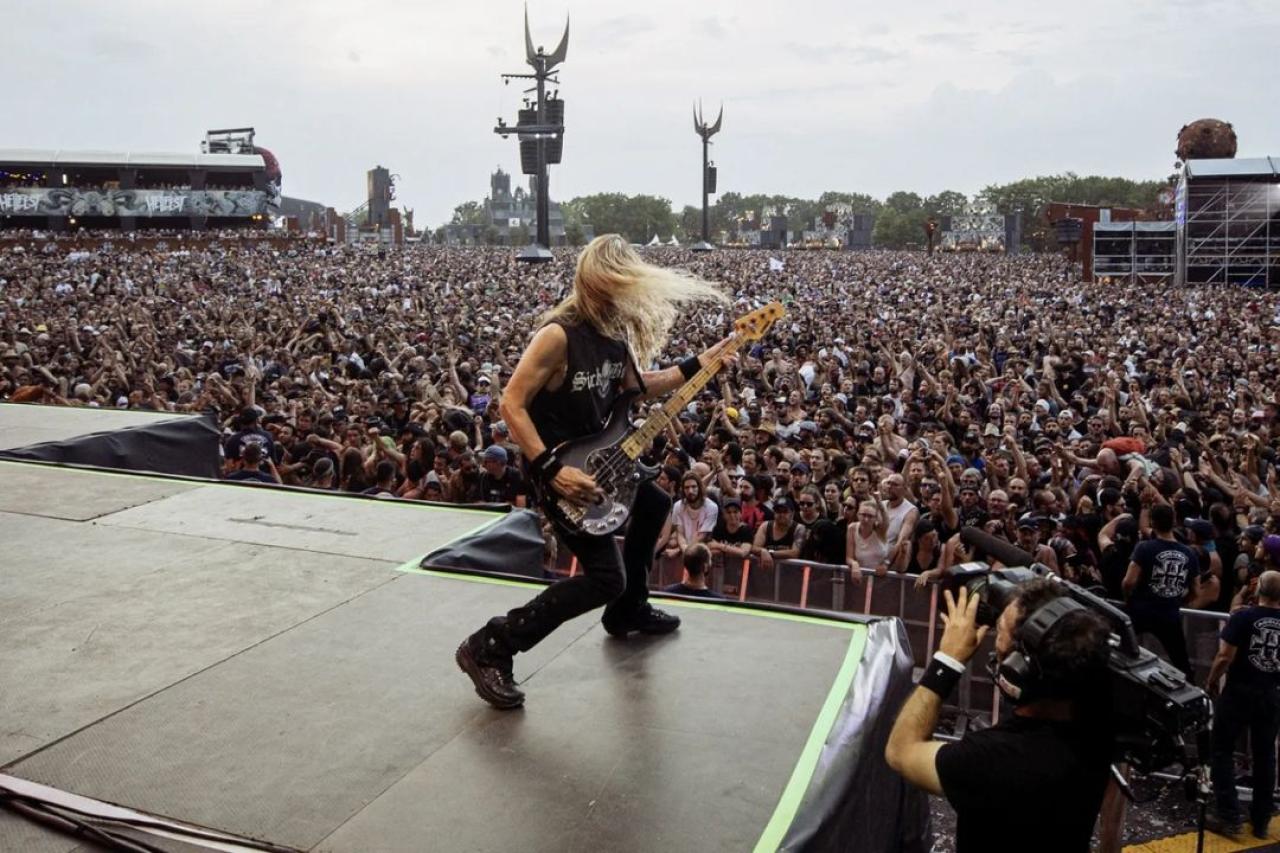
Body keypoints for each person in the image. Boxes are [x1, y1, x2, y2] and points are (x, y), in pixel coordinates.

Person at [455, 235, 731, 710]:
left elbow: (640, 387)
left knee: (654, 502)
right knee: (605, 577)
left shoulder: (613, 337)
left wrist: (701, 363)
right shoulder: (558, 335)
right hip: (557, 469)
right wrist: (550, 470)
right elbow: (511, 404)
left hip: (597, 460)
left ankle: (629, 610)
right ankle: (492, 645)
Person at [885, 581, 1113, 853]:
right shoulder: (1101, 722)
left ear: (1018, 671)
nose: (993, 633)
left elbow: (900, 751)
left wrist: (947, 660)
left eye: (999, 631)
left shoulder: (993, 757)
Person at [1205, 569, 1280, 839]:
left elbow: (1224, 656)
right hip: (1270, 692)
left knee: (1222, 749)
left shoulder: (1243, 617)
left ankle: (1228, 815)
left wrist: (1212, 680)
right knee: (1265, 756)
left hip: (1239, 690)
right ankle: (1261, 820)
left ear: (1258, 589)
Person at [1123, 503, 1200, 675]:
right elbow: (1196, 590)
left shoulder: (1144, 547)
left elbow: (1128, 582)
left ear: (1153, 522)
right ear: (1174, 522)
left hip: (1140, 610)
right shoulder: (1189, 553)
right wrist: (1176, 600)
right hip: (1169, 614)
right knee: (1181, 662)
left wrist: (1128, 598)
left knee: (1119, 648)